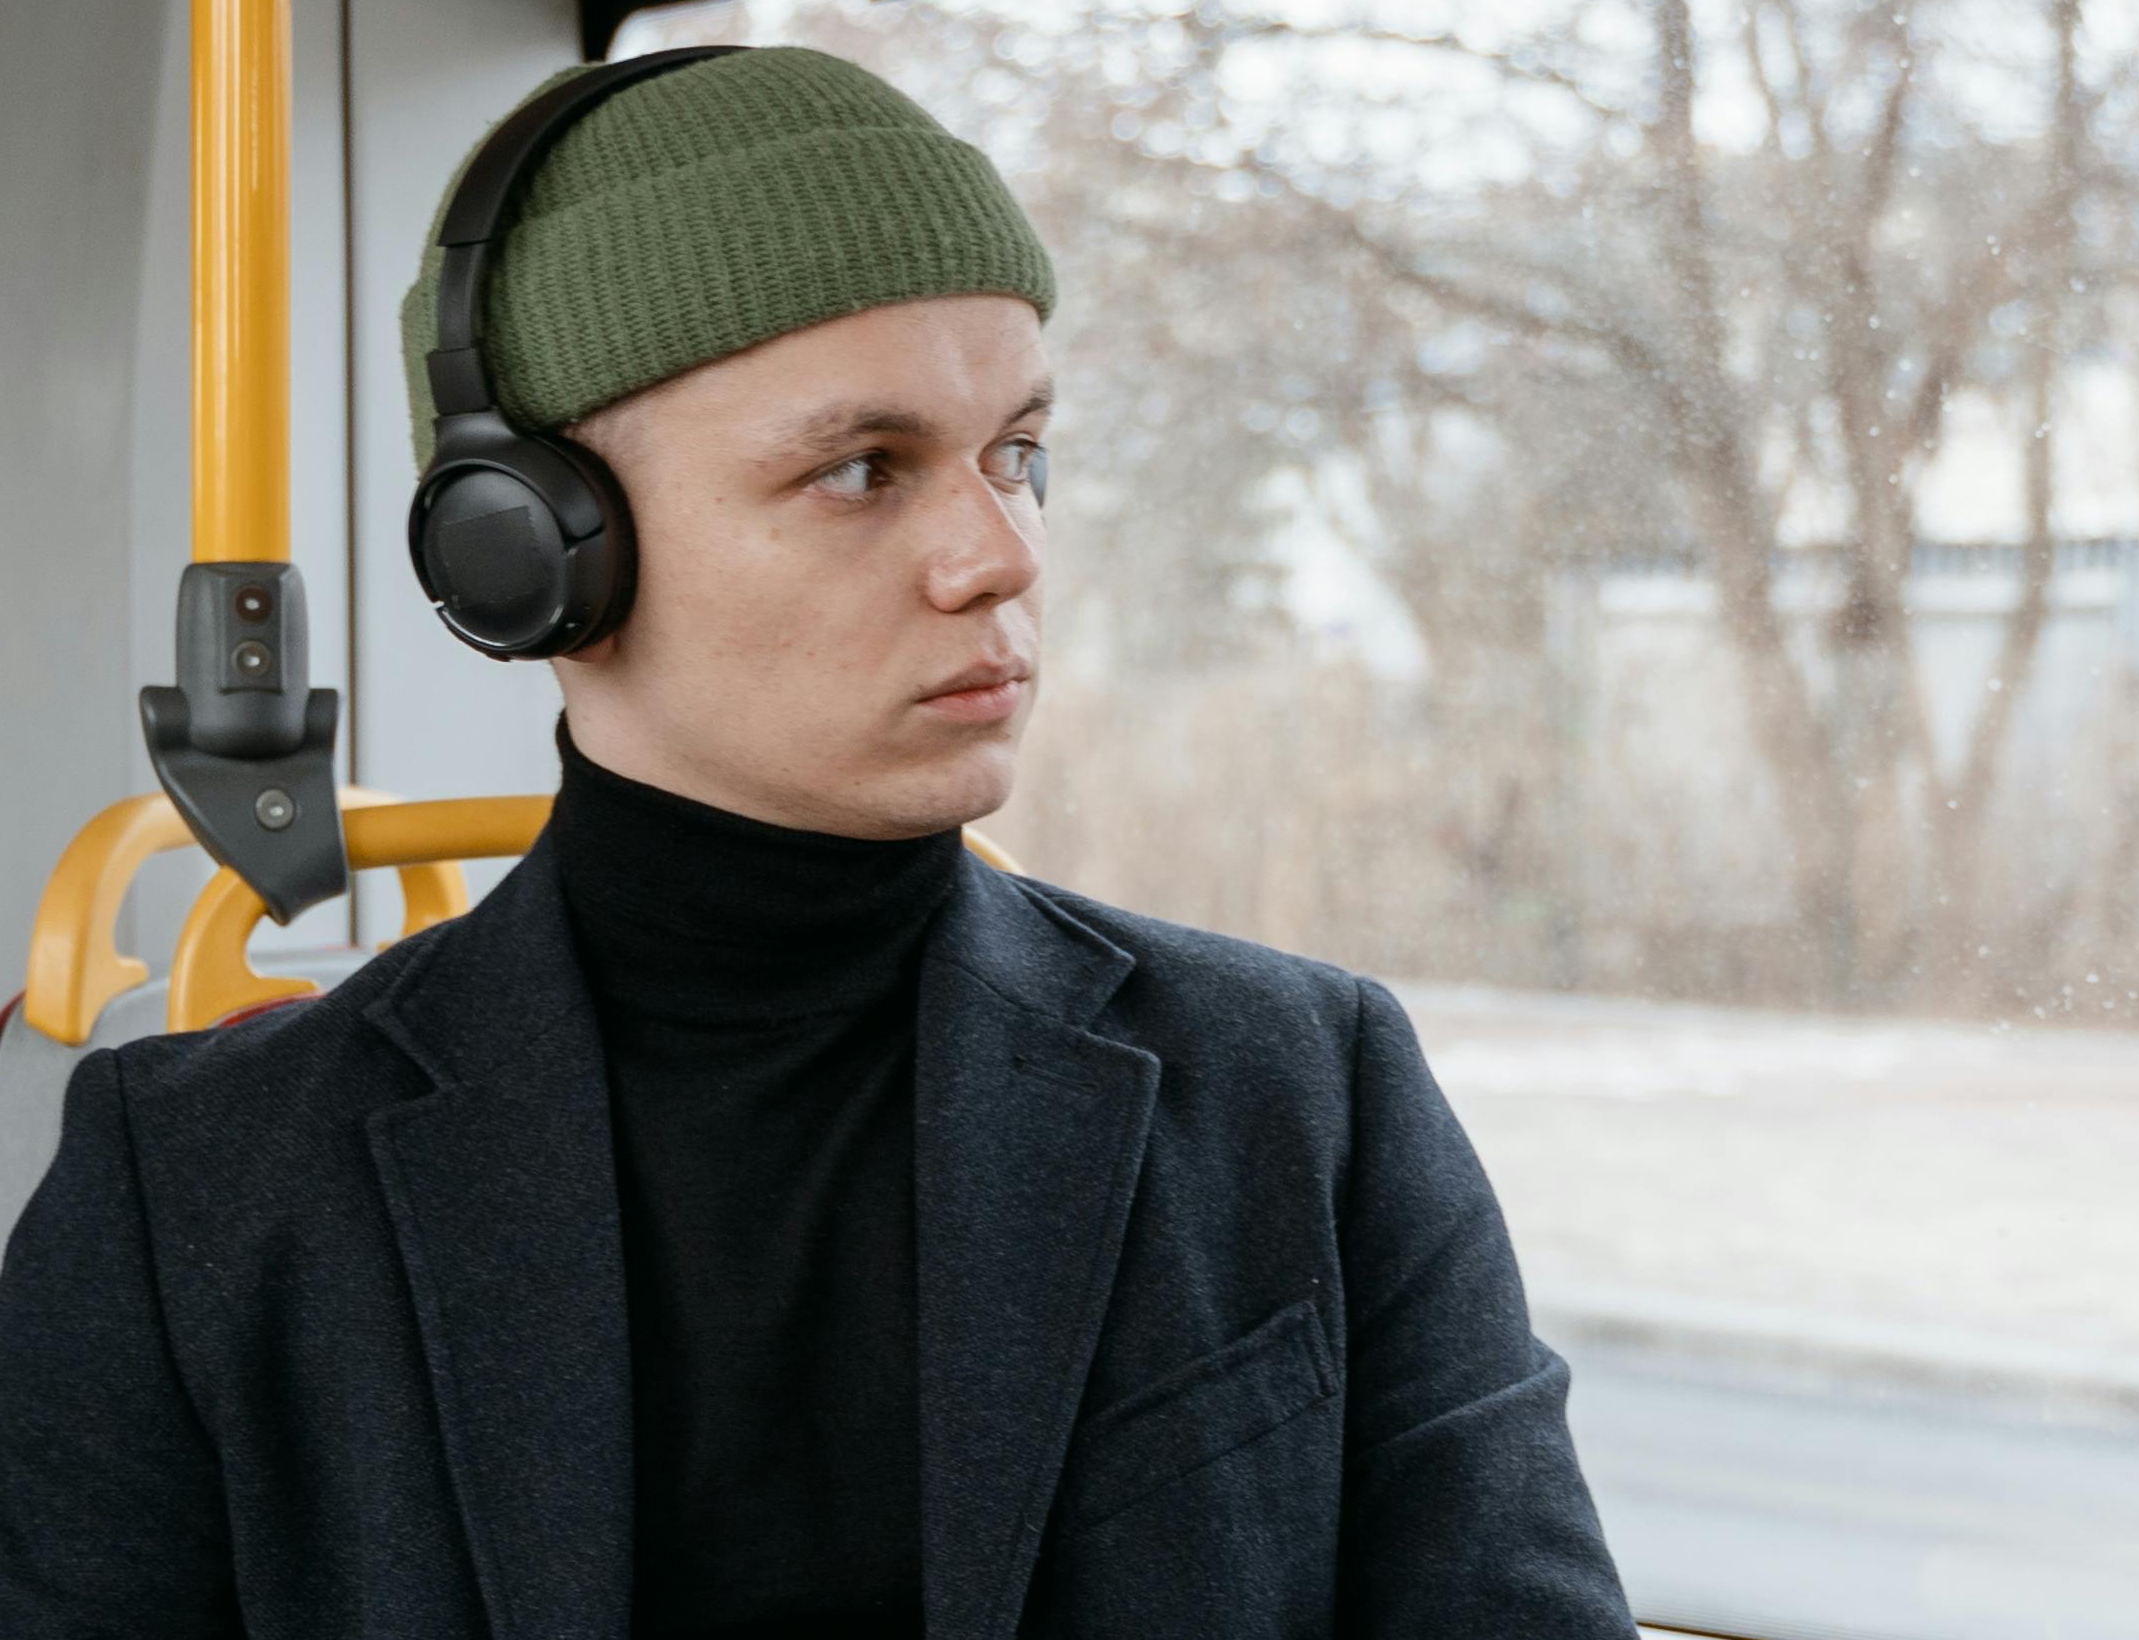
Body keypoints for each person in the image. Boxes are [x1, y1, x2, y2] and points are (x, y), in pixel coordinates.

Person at [0, 45, 1637, 1640]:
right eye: (862, 470)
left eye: (1021, 452)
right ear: (531, 554)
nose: (1000, 557)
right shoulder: (197, 1190)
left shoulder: (1303, 1091)